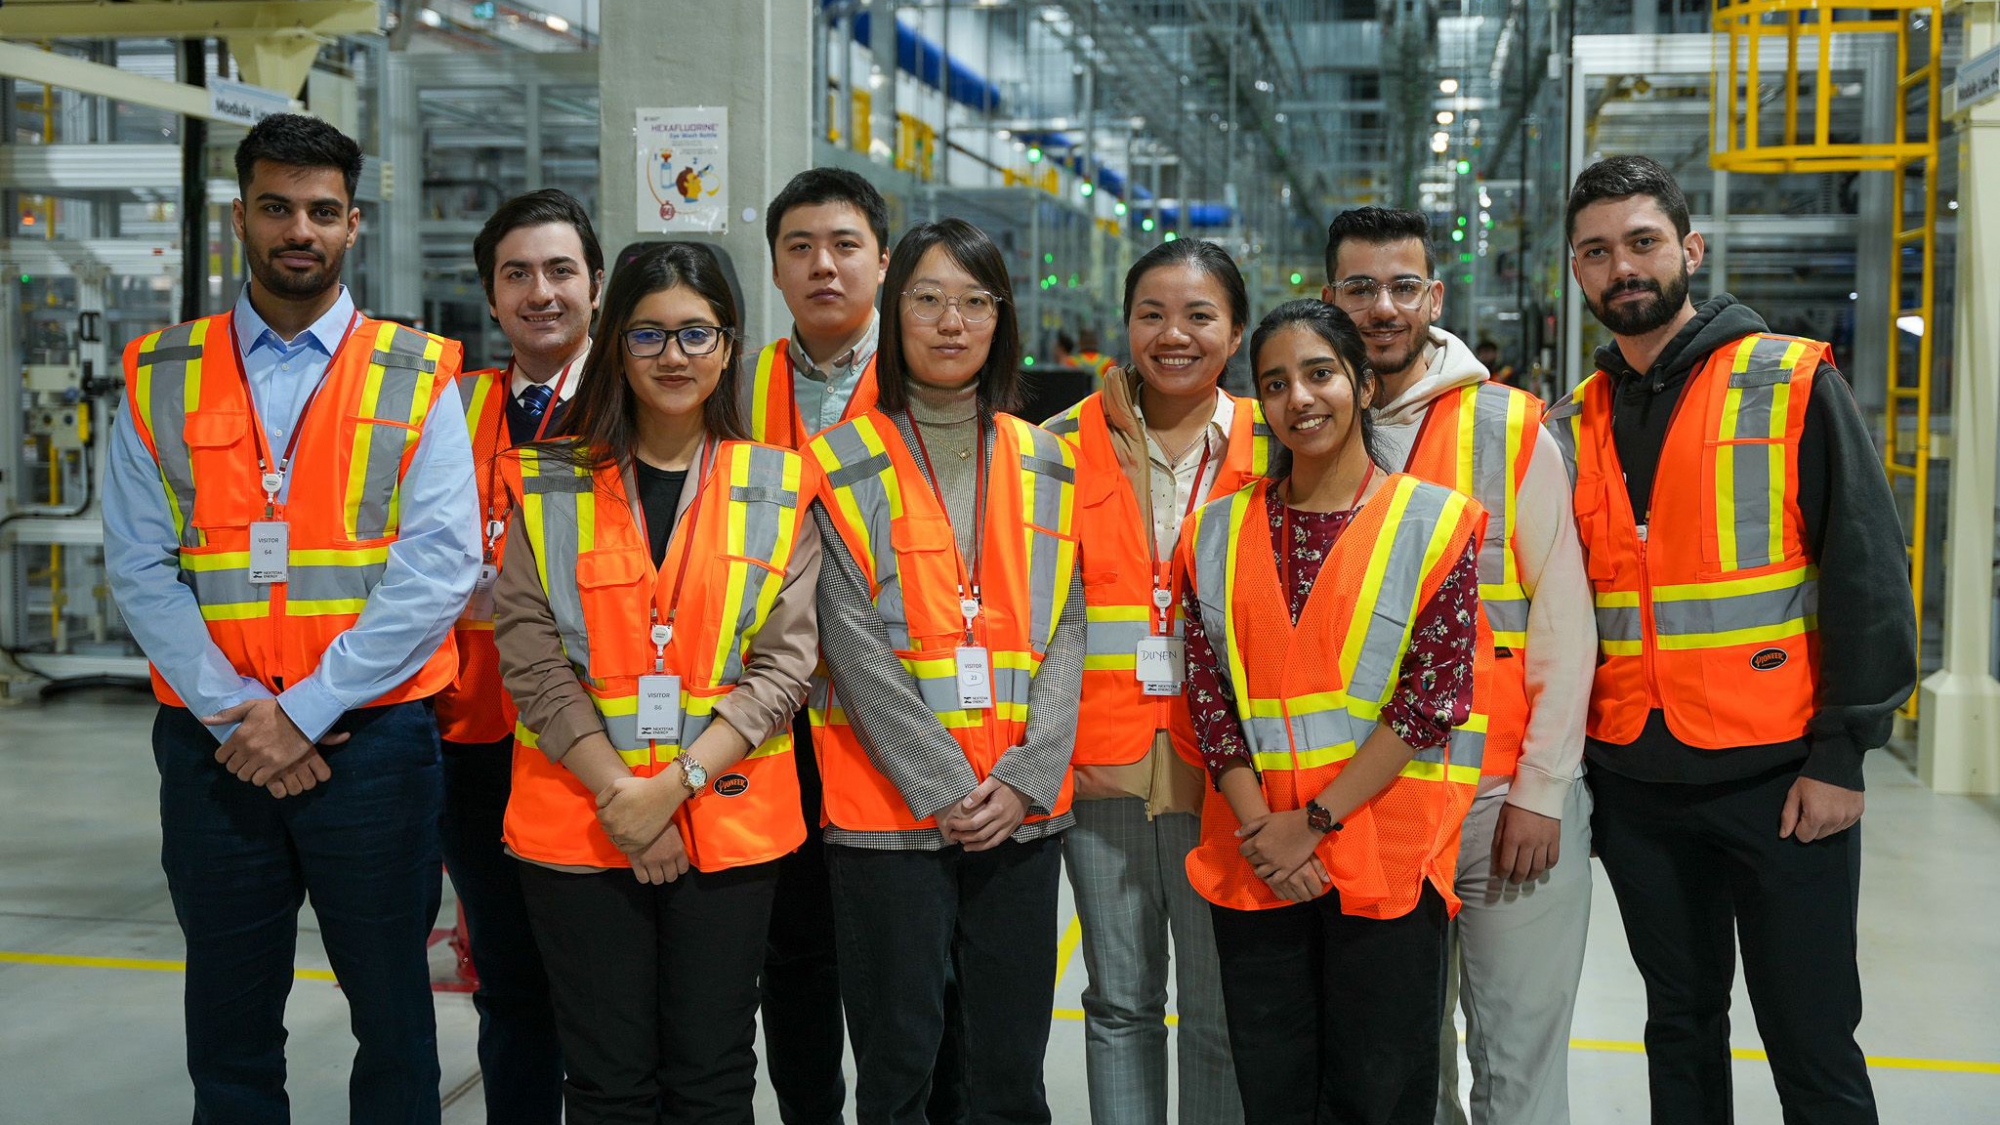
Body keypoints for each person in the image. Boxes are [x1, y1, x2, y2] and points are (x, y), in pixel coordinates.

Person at [104, 112, 478, 1123]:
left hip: (372, 743)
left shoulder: (417, 371)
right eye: (276, 208)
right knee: (229, 1032)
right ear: (239, 219)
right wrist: (242, 715)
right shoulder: (161, 373)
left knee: (393, 1024)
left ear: (354, 223)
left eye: (320, 210)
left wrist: (303, 711)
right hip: (216, 747)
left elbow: (439, 565)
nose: (298, 230)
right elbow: (139, 564)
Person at [1547, 154, 1916, 1125]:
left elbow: (1866, 568)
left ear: (1690, 249)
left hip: (1781, 782)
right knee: (1677, 1026)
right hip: (1636, 786)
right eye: (1596, 252)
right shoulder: (1575, 421)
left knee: (1810, 1039)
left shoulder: (1786, 380)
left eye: (1642, 242)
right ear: (1576, 271)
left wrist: (1842, 754)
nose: (1622, 267)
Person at [493, 242, 822, 1123]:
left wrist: (670, 789)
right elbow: (529, 654)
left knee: (713, 1077)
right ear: (615, 345)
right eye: (647, 334)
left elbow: (785, 665)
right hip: (581, 820)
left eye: (695, 333)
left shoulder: (778, 483)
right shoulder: (550, 481)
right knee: (608, 1083)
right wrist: (624, 798)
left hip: (726, 820)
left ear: (729, 344)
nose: (673, 355)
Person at [1181, 299, 1487, 1125]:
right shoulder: (1214, 531)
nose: (1300, 398)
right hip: (1260, 859)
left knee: (1379, 1095)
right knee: (1274, 1093)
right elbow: (1209, 697)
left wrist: (1310, 824)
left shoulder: (1432, 521)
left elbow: (1434, 697)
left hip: (1382, 856)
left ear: (1363, 382)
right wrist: (1267, 833)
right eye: (1275, 383)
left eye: (1320, 373)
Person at [806, 217, 1084, 1125]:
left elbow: (1067, 629)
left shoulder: (1051, 460)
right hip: (886, 819)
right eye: (927, 299)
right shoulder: (838, 463)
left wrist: (1025, 776)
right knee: (900, 1070)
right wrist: (945, 785)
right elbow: (848, 642)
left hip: (1019, 819)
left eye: (974, 301)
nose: (952, 321)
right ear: (894, 313)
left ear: (1002, 318)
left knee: (1009, 1074)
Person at [1321, 207, 1596, 1125]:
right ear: (1329, 296)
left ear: (1434, 297)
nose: (1383, 307)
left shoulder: (1507, 427)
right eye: (1361, 287)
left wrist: (1544, 789)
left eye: (1404, 286)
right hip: (1374, 796)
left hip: (1500, 794)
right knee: (1402, 1063)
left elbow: (1563, 622)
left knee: (1515, 1060)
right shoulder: (1304, 430)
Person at [1041, 238, 1265, 1125]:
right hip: (1102, 775)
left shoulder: (1276, 440)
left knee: (1217, 1011)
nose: (1174, 334)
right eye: (1152, 314)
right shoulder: (1060, 445)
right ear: (1126, 324)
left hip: (1230, 779)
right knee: (1120, 1002)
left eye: (1200, 315)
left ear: (1236, 332)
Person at [430, 187, 602, 1124]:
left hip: (605, 742)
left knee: (607, 986)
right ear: (492, 296)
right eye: (517, 274)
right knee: (508, 981)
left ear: (595, 285)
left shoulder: (640, 400)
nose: (541, 292)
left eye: (561, 270)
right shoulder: (449, 410)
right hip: (478, 739)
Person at [747, 166, 893, 1125]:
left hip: (897, 712)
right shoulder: (738, 380)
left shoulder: (925, 371)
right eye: (799, 248)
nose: (823, 266)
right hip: (775, 717)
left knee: (897, 959)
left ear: (882, 259)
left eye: (844, 246)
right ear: (775, 267)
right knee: (792, 957)